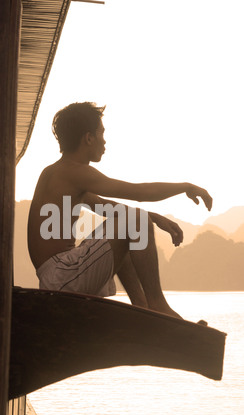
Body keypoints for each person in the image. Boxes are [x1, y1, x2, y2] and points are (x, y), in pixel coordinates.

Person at [28, 102, 212, 319]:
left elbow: (107, 207)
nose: (104, 141)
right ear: (88, 138)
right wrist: (185, 187)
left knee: (127, 223)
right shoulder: (75, 173)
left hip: (58, 277)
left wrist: (154, 218)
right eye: (101, 133)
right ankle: (157, 304)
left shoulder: (57, 174)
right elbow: (139, 192)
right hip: (61, 277)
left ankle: (142, 305)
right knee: (134, 220)